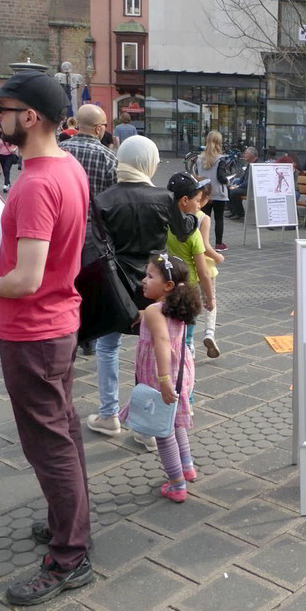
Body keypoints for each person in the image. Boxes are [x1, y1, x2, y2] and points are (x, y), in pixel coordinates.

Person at [0, 70, 93, 606]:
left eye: (5, 109)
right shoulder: (68, 167)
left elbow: (28, 278)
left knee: (49, 446)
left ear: (31, 117)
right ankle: (70, 527)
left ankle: (69, 555)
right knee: (63, 433)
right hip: (58, 323)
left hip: (34, 328)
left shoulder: (39, 182)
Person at [89, 136, 197, 449]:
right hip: (156, 283)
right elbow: (183, 229)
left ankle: (109, 413)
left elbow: (97, 248)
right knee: (157, 351)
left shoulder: (103, 199)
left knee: (108, 347)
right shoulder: (164, 197)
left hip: (117, 286)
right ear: (148, 161)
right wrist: (192, 212)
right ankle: (149, 426)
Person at [119, 253, 200, 502]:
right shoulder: (176, 306)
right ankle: (187, 467)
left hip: (161, 374)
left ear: (168, 286)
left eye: (150, 276)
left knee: (161, 431)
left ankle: (176, 484)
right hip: (181, 372)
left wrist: (163, 380)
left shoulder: (156, 311)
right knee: (174, 423)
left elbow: (162, 342)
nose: (143, 280)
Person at [59, 104, 118, 356]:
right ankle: (89, 339)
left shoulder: (59, 152)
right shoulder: (109, 158)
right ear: (99, 128)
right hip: (94, 233)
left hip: (61, 230)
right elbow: (115, 200)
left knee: (64, 284)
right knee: (89, 284)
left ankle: (65, 334)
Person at [166, 172, 217, 358]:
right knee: (188, 333)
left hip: (170, 285)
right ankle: (186, 357)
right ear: (185, 201)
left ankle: (174, 353)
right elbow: (203, 272)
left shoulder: (166, 226)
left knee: (172, 328)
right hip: (190, 288)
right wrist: (210, 298)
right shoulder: (193, 234)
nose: (199, 204)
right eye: (197, 200)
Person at [192, 182, 226, 357]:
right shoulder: (203, 218)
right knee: (210, 299)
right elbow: (204, 246)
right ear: (204, 199)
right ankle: (209, 332)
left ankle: (189, 343)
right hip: (205, 266)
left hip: (187, 267)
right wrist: (217, 256)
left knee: (192, 304)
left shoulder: (180, 216)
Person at [59, 105, 118, 199]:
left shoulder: (59, 150)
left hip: (66, 212)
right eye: (105, 125)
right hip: (97, 212)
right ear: (98, 128)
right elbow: (115, 194)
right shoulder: (109, 157)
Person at [196, 130, 230, 251]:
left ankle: (203, 243)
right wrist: (228, 181)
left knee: (204, 219)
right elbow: (221, 177)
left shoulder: (199, 158)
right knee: (219, 218)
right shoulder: (220, 159)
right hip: (218, 194)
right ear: (219, 143)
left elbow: (197, 175)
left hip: (205, 193)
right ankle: (219, 244)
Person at [228, 146, 257, 219]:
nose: (244, 155)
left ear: (252, 155)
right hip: (245, 186)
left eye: (246, 154)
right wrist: (236, 184)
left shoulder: (256, 165)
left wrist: (238, 186)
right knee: (229, 188)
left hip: (252, 188)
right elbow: (243, 177)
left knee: (234, 192)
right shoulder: (249, 164)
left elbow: (251, 181)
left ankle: (240, 213)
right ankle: (233, 211)